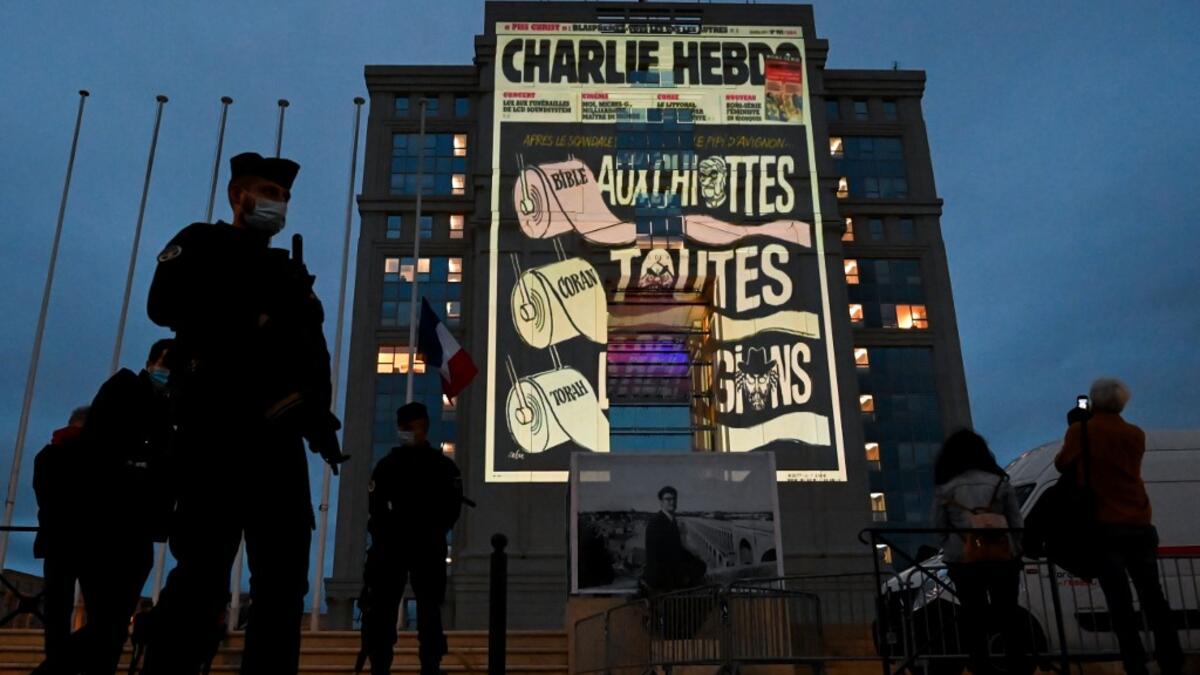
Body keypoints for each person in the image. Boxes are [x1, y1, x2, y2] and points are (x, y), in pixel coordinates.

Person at [141, 151, 347, 675]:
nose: (278, 205)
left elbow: (311, 349)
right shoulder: (201, 242)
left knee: (283, 585)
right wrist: (248, 319)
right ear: (239, 196)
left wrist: (318, 416)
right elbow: (163, 305)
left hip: (278, 441)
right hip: (216, 431)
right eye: (270, 193)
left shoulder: (288, 271)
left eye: (284, 198)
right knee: (202, 573)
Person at [1054, 379, 1182, 675]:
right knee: (1153, 597)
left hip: (1104, 525)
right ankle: (1171, 659)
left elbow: (1063, 464)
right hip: (1139, 520)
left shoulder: (1081, 432)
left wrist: (1078, 427)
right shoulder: (1135, 434)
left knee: (1120, 602)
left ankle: (1135, 663)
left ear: (1095, 402)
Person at [70, 339, 175, 675]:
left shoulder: (167, 408)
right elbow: (102, 450)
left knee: (112, 627)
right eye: (167, 365)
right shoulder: (125, 389)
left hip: (138, 530)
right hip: (106, 526)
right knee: (107, 624)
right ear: (152, 362)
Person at [360, 402, 462, 675]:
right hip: (392, 546)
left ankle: (430, 664)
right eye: (402, 427)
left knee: (429, 610)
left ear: (423, 427)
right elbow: (376, 507)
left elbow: (452, 508)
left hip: (426, 544)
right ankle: (380, 665)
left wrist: (431, 528)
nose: (404, 431)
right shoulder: (388, 465)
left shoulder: (441, 467)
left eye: (409, 426)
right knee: (383, 609)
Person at [932, 429, 1026, 675]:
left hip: (965, 560)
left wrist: (953, 548)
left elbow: (939, 526)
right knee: (1008, 613)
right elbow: (1016, 521)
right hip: (1002, 557)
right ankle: (1016, 664)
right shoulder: (1000, 483)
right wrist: (1014, 547)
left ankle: (980, 664)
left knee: (973, 615)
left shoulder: (946, 488)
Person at [31, 406, 89, 675]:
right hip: (89, 542)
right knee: (106, 617)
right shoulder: (90, 455)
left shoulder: (47, 455)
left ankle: (54, 666)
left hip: (55, 541)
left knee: (56, 616)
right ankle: (53, 669)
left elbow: (44, 497)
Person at [641, 486, 706, 592]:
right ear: (661, 502)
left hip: (669, 571)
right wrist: (687, 569)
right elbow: (661, 556)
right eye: (668, 499)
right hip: (661, 577)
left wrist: (696, 558)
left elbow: (677, 549)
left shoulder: (671, 520)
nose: (672, 502)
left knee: (700, 566)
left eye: (674, 499)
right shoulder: (656, 523)